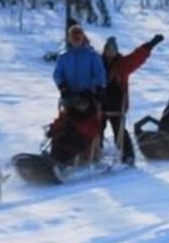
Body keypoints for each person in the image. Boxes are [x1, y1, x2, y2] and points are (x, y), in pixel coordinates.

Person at [48, 23, 107, 164]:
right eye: (73, 37)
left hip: (87, 96)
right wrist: (62, 87)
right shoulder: (64, 57)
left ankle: (86, 153)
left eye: (78, 36)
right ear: (69, 39)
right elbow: (57, 74)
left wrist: (99, 89)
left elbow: (99, 73)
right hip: (69, 96)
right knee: (64, 125)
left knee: (84, 126)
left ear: (82, 37)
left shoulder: (92, 55)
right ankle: (58, 155)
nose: (76, 39)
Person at [100, 33, 163, 164]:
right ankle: (96, 152)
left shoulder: (122, 64)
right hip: (100, 102)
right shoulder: (97, 63)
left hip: (117, 103)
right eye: (107, 49)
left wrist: (150, 45)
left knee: (119, 130)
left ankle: (128, 155)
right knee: (97, 129)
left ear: (116, 51)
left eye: (112, 49)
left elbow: (136, 57)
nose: (109, 52)